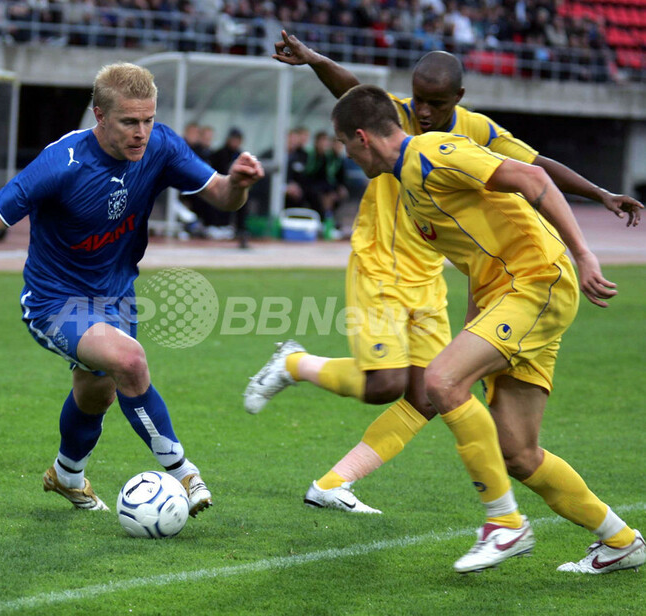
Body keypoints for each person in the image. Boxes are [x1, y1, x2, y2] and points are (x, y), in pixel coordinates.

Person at [245, 31, 643, 518]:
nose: (424, 112)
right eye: (418, 101)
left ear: (458, 99)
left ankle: (335, 481)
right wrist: (313, 60)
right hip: (381, 261)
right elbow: (349, 91)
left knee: (432, 393)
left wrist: (601, 194)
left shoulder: (475, 132)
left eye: (436, 103)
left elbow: (536, 166)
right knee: (388, 384)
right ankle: (294, 365)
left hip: (434, 269)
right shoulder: (397, 122)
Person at [0, 62, 264, 517]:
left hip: (116, 295)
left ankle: (66, 476)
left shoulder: (162, 145)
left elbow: (222, 196)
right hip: (55, 301)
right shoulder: (61, 163)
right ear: (100, 115)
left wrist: (239, 185)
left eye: (148, 120)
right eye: (130, 121)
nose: (142, 132)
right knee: (129, 362)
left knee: (99, 391)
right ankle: (183, 472)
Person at [330, 83, 645, 574]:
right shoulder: (410, 191)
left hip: (538, 283)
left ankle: (505, 524)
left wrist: (583, 255)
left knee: (439, 381)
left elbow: (532, 178)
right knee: (518, 453)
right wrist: (473, 330)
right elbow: (477, 257)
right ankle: (621, 541)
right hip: (510, 298)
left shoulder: (433, 152)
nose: (345, 155)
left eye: (344, 144)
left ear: (362, 138)